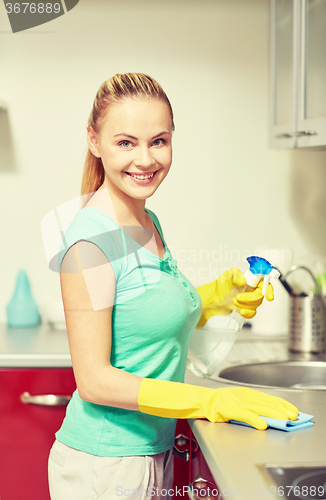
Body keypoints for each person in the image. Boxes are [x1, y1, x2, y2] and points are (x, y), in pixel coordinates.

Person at [48, 73, 298, 500]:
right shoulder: (90, 244)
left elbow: (145, 312)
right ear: (94, 140)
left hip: (149, 452)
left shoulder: (146, 222)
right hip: (106, 465)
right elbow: (95, 381)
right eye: (126, 142)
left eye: (158, 141)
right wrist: (210, 403)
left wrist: (217, 296)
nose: (145, 159)